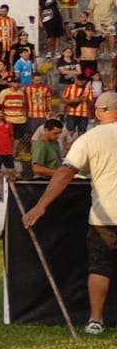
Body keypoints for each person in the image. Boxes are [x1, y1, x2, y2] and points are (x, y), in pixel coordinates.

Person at [22, 90, 117, 335]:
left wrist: (40, 205)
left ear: (99, 111)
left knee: (100, 267)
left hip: (105, 216)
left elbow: (65, 174)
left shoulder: (90, 138)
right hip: (104, 215)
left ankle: (96, 320)